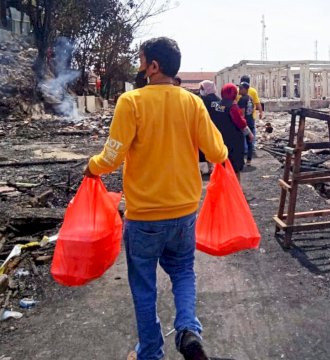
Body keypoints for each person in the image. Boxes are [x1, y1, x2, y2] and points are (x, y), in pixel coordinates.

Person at [83, 37, 228, 360]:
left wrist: (91, 168)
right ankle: (188, 328)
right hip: (185, 210)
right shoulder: (192, 103)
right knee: (183, 272)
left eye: (141, 59)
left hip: (145, 215)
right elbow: (217, 152)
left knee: (144, 286)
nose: (138, 64)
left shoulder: (131, 102)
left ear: (153, 66)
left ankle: (150, 351)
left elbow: (111, 157)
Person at [216, 83, 254, 181]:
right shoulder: (233, 107)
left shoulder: (218, 105)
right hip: (234, 140)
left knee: (224, 164)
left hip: (221, 138)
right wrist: (249, 134)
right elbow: (241, 122)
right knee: (235, 166)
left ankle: (225, 187)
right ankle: (236, 189)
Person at [198, 80, 221, 174]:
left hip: (207, 126)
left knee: (203, 147)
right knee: (214, 146)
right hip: (217, 127)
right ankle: (214, 167)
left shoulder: (204, 100)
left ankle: (205, 168)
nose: (201, 90)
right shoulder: (218, 99)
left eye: (202, 88)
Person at [238, 82, 256, 166]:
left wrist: (242, 123)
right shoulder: (250, 98)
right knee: (250, 142)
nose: (239, 90)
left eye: (241, 88)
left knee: (241, 141)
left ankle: (241, 160)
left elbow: (242, 113)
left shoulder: (242, 99)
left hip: (244, 123)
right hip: (251, 121)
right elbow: (252, 110)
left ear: (245, 89)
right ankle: (249, 160)